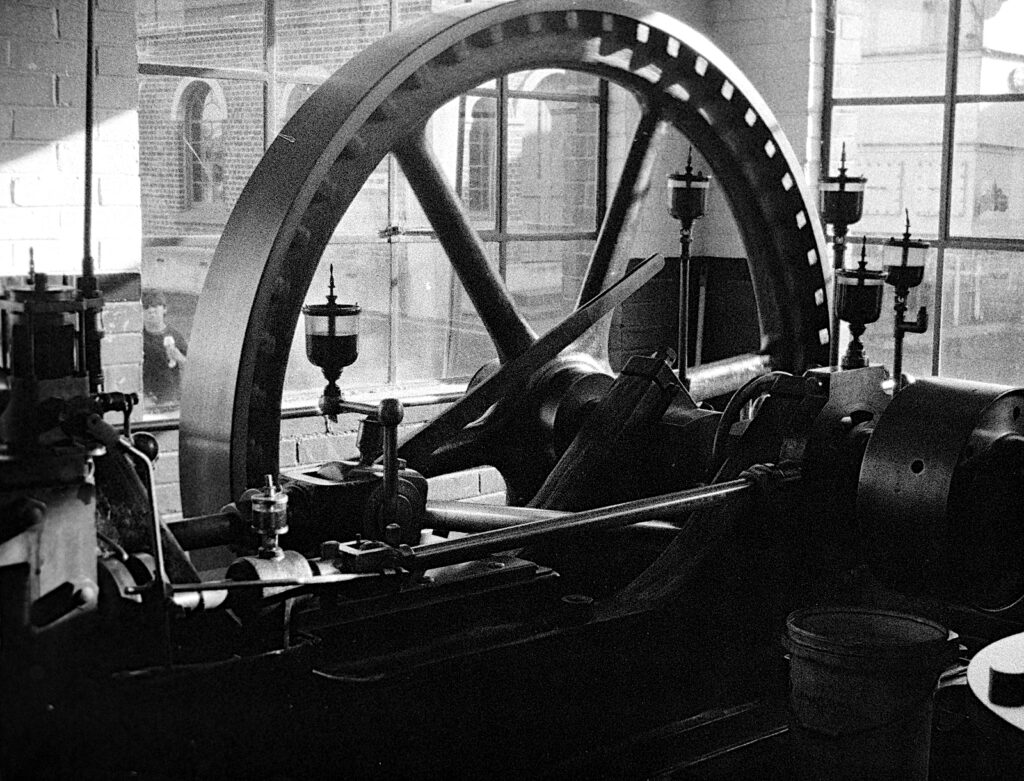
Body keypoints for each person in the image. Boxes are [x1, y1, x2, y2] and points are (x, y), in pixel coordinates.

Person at [142, 290, 188, 408]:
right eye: (146, 307)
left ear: (164, 309)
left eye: (155, 306)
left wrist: (179, 357)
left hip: (170, 397)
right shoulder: (138, 338)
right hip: (145, 398)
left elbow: (192, 367)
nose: (151, 311)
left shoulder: (175, 336)